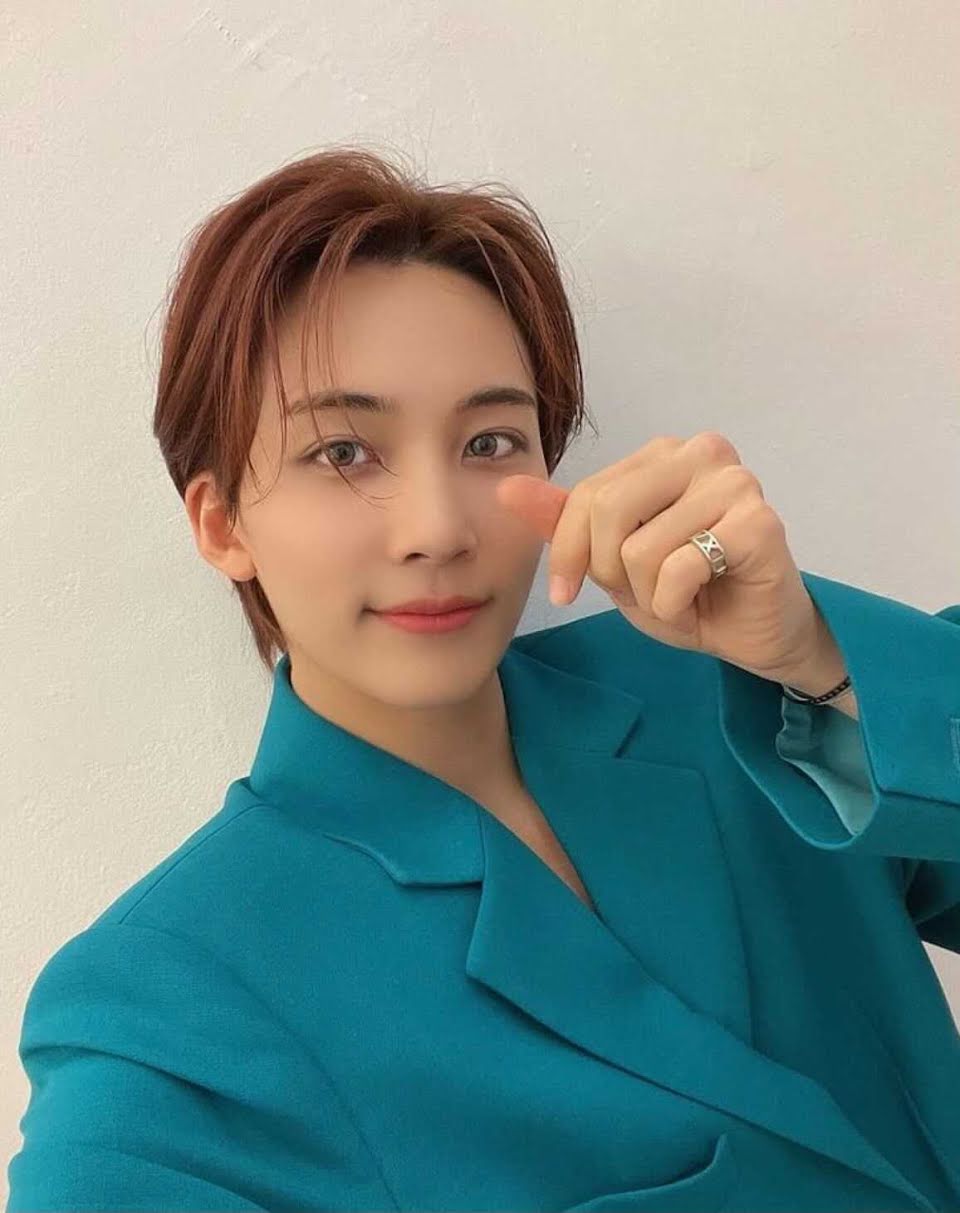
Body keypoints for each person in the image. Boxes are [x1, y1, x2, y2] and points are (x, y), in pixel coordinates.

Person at [7, 147, 960, 1213]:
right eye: (344, 452)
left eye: (490, 440)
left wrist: (819, 659)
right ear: (222, 522)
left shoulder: (746, 695)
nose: (438, 529)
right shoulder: (173, 1002)